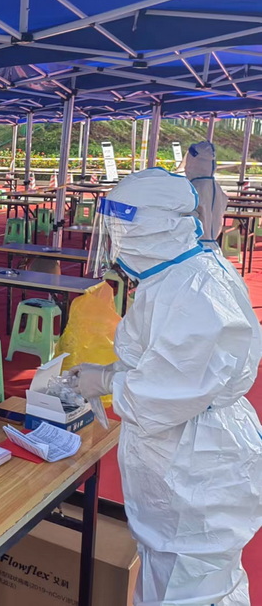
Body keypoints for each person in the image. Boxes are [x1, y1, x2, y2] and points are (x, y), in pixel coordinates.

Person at [77, 168, 262, 606]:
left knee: (192, 586)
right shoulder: (176, 275)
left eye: (121, 227)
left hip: (197, 466)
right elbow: (162, 359)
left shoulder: (195, 289)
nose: (114, 240)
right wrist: (112, 371)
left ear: (153, 226)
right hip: (185, 456)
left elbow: (167, 391)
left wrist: (105, 380)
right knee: (174, 576)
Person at [184, 141, 227, 244]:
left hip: (194, 244)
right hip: (211, 243)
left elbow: (185, 217)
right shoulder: (216, 187)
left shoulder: (194, 188)